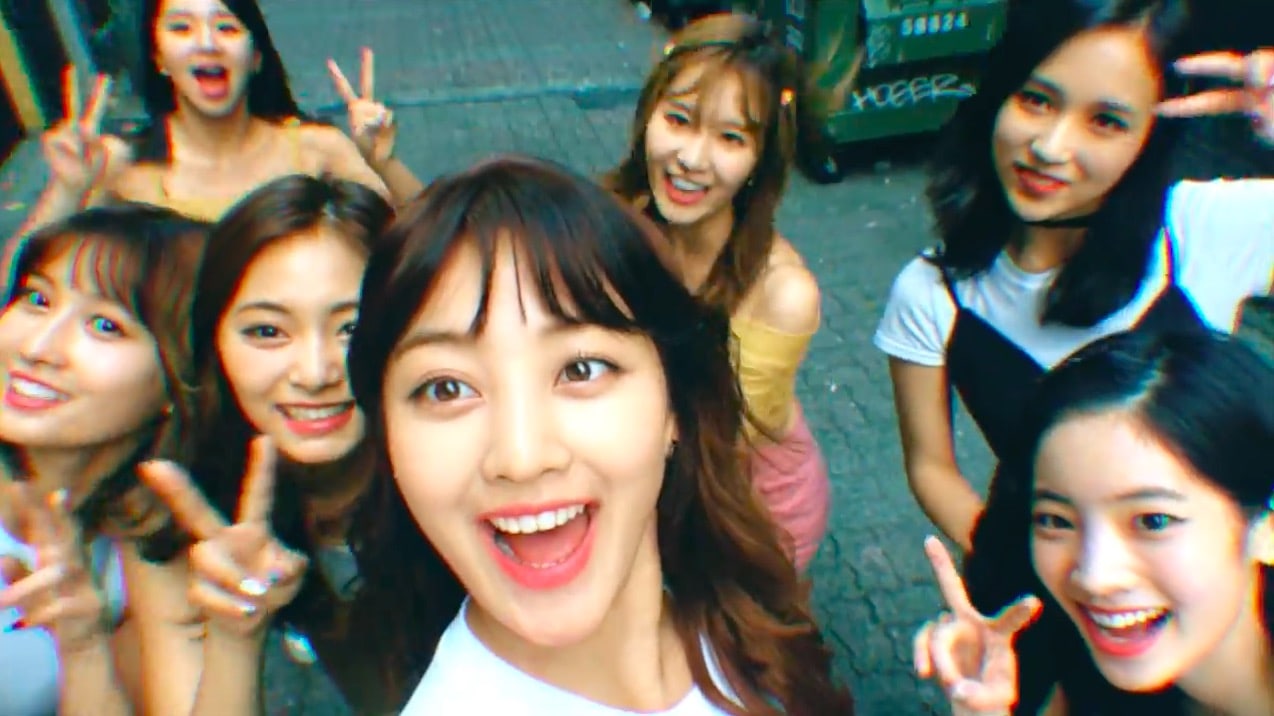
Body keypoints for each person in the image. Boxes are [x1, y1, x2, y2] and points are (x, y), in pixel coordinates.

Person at [343, 155, 853, 714]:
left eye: (580, 369)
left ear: (674, 404)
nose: (522, 456)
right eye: (446, 388)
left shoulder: (740, 621)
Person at [130, 174, 428, 715]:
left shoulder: (467, 475)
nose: (314, 373)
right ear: (213, 341)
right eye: (267, 331)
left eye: (352, 327)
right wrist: (234, 635)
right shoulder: (185, 521)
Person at [914, 328, 1274, 716]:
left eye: (1153, 521)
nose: (1094, 577)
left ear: (1265, 528)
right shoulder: (1091, 676)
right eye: (1055, 521)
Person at [605, 13, 845, 570]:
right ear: (648, 115)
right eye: (679, 119)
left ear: (761, 158)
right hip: (649, 493)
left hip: (751, 511)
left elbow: (719, 445)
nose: (691, 159)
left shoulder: (782, 292)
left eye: (730, 138)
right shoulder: (619, 220)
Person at [0, 206, 206, 715]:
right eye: (37, 299)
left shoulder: (142, 550)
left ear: (178, 379)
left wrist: (84, 649)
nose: (39, 348)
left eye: (105, 325)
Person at [9, 0, 390, 272]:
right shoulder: (121, 166)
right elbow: (21, 283)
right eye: (181, 28)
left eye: (226, 27)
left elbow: (405, 249)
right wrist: (67, 189)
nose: (207, 43)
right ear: (159, 58)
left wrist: (381, 161)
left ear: (256, 57)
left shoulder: (314, 148)